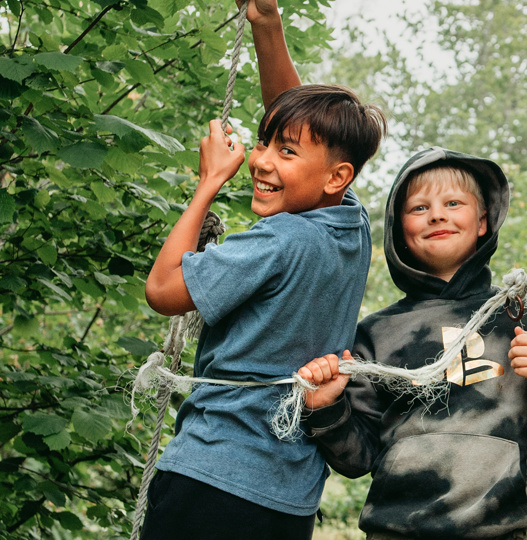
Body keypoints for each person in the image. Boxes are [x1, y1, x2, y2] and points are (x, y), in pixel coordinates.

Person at [141, 25, 387, 540]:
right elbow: (299, 121)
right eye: (263, 143)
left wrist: (209, 182)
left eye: (285, 152)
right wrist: (266, 21)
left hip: (211, 479)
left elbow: (163, 291)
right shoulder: (351, 227)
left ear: (337, 177)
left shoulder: (279, 239)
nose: (260, 161)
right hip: (289, 500)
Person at [297, 149, 527, 540]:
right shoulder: (376, 333)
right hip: (399, 531)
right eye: (419, 208)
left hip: (507, 528)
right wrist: (325, 409)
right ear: (399, 230)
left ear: (483, 221)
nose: (437, 215)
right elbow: (358, 459)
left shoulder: (525, 315)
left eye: (453, 203)